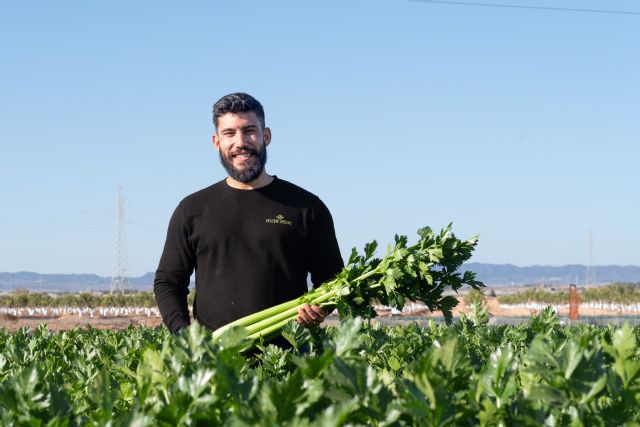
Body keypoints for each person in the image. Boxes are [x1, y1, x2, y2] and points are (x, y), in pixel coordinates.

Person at [153, 92, 344, 336]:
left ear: (266, 136)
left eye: (249, 130)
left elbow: (332, 278)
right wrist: (183, 335)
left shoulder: (306, 207)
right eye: (229, 133)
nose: (240, 142)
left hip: (290, 356)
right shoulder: (192, 209)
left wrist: (320, 307)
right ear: (216, 142)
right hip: (214, 359)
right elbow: (168, 281)